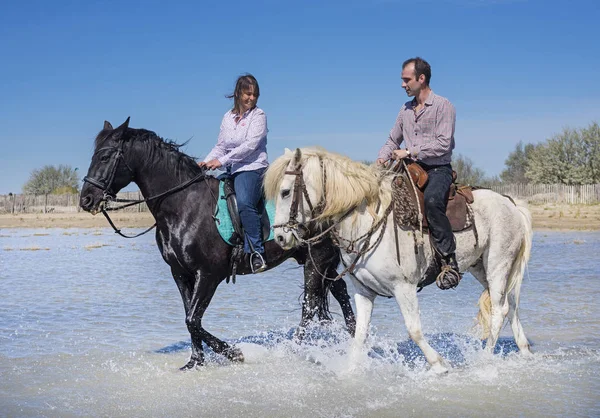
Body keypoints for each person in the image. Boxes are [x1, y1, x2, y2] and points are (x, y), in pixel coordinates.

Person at [376, 57, 461, 289]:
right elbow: (393, 139)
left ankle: (449, 262)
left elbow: (444, 144)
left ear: (421, 79)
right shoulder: (405, 110)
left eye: (406, 80)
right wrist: (382, 157)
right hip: (409, 169)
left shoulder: (444, 106)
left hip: (437, 169)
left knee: (433, 202)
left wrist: (409, 151)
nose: (403, 85)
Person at [199, 74, 269, 273]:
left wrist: (220, 161)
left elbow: (250, 146)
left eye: (255, 95)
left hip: (252, 168)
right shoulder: (227, 117)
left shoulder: (259, 116)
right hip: (231, 170)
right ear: (238, 93)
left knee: (245, 202)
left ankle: (257, 252)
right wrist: (207, 160)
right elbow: (221, 146)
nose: (252, 98)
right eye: (248, 94)